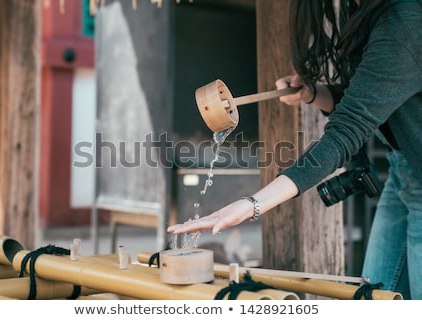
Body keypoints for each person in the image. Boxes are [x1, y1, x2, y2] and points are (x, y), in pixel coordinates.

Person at [167, 0, 422, 299]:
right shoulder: (360, 10)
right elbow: (374, 101)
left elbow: (348, 130)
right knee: (372, 302)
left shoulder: (405, 21)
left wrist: (252, 204)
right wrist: (315, 94)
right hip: (405, 171)